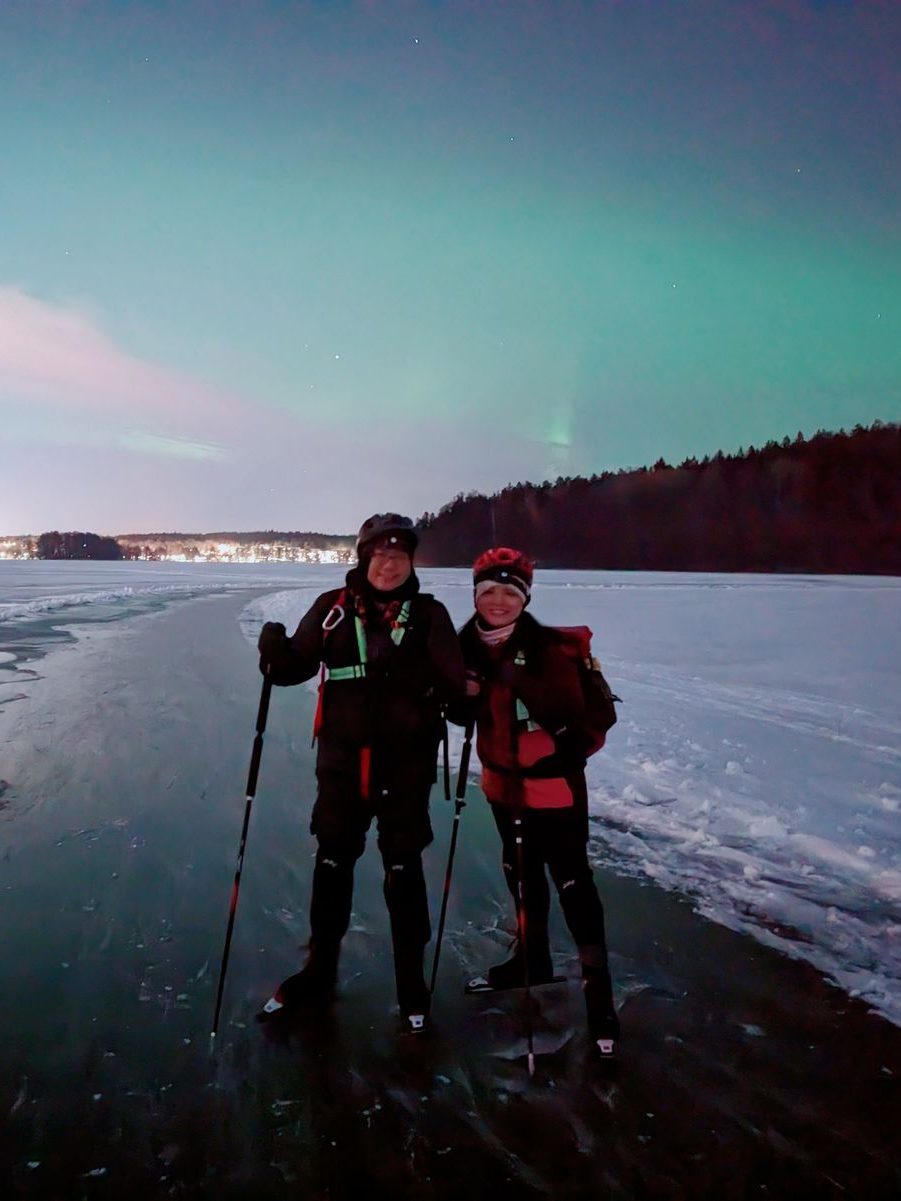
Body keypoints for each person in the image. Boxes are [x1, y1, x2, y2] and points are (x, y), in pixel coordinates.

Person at [255, 513, 464, 1033]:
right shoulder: (331, 610)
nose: (389, 565)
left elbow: (460, 692)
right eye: (380, 555)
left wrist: (460, 694)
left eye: (400, 556)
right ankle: (319, 971)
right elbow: (294, 668)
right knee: (332, 864)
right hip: (343, 767)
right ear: (364, 558)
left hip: (407, 767)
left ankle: (412, 986)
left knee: (403, 870)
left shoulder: (430, 615)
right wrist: (274, 653)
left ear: (412, 563)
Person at [456, 547, 620, 1057]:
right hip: (503, 786)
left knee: (573, 883)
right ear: (476, 595)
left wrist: (563, 744)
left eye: (510, 592)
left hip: (553, 788)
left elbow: (593, 718)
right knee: (521, 874)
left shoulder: (547, 649)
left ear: (525, 598)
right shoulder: (466, 647)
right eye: (489, 591)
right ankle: (533, 960)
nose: (499, 601)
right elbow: (460, 713)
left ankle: (601, 998)